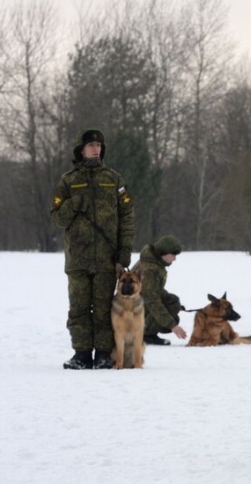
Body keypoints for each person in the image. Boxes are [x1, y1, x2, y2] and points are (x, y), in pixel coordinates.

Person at [52, 129, 135, 370]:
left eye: (99, 145)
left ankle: (103, 355)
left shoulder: (114, 179)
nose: (96, 149)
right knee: (78, 308)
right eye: (91, 145)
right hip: (78, 258)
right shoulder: (68, 181)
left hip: (106, 258)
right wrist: (73, 203)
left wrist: (125, 251)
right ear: (81, 150)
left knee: (103, 309)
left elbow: (127, 217)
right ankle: (81, 354)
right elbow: (57, 219)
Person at [133, 235, 188, 345]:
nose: (175, 259)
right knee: (168, 310)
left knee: (173, 302)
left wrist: (174, 304)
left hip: (139, 305)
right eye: (173, 255)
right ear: (164, 253)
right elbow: (152, 301)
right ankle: (145, 334)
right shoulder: (149, 270)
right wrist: (173, 326)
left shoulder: (154, 262)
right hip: (133, 312)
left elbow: (155, 290)